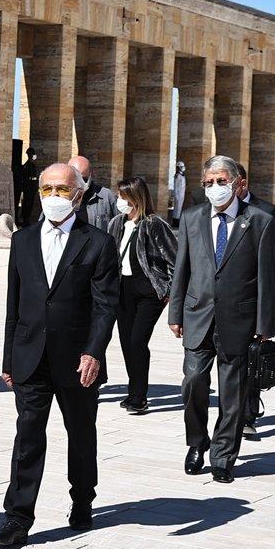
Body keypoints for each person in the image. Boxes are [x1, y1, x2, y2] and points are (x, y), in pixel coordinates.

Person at [0, 163, 119, 549]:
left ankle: (82, 498)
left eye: (62, 190)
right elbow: (15, 303)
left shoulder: (97, 242)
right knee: (28, 436)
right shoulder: (24, 240)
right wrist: (9, 358)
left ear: (78, 195)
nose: (53, 197)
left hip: (78, 359)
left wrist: (94, 352)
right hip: (30, 355)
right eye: (46, 189)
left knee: (80, 434)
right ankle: (18, 516)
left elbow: (105, 305)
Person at [168, 155, 275, 483]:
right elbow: (182, 270)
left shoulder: (259, 220)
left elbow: (266, 278)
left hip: (239, 320)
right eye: (208, 183)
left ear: (236, 183)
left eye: (220, 181)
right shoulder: (191, 218)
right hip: (197, 315)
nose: (214, 187)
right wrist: (175, 312)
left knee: (234, 392)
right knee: (193, 382)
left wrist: (264, 325)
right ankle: (197, 442)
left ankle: (223, 454)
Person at [106, 176, 176, 415]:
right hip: (122, 290)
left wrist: (169, 291)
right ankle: (133, 392)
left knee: (137, 341)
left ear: (136, 198)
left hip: (149, 292)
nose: (119, 201)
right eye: (119, 196)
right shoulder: (116, 223)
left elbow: (174, 260)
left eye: (123, 197)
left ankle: (140, 396)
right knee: (127, 343)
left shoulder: (154, 224)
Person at [235, 163, 275, 440]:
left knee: (251, 355)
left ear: (241, 183)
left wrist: (274, 297)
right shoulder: (204, 209)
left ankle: (247, 413)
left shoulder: (267, 212)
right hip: (218, 301)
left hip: (254, 297)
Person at [69, 155, 117, 231]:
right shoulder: (61, 196)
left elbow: (120, 223)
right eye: (76, 179)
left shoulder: (106, 196)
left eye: (83, 179)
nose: (79, 183)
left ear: (91, 174)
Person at [17, 147, 40, 226]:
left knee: (28, 204)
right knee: (27, 204)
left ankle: (26, 219)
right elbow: (31, 177)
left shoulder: (30, 164)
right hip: (28, 187)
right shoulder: (28, 165)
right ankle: (25, 219)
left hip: (30, 188)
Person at [171, 161, 187, 228]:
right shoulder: (178, 176)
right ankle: (175, 222)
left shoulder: (181, 175)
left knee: (179, 209)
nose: (183, 168)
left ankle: (177, 221)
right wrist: (176, 196)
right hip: (178, 195)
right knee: (177, 209)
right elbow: (176, 187)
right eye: (182, 167)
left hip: (181, 194)